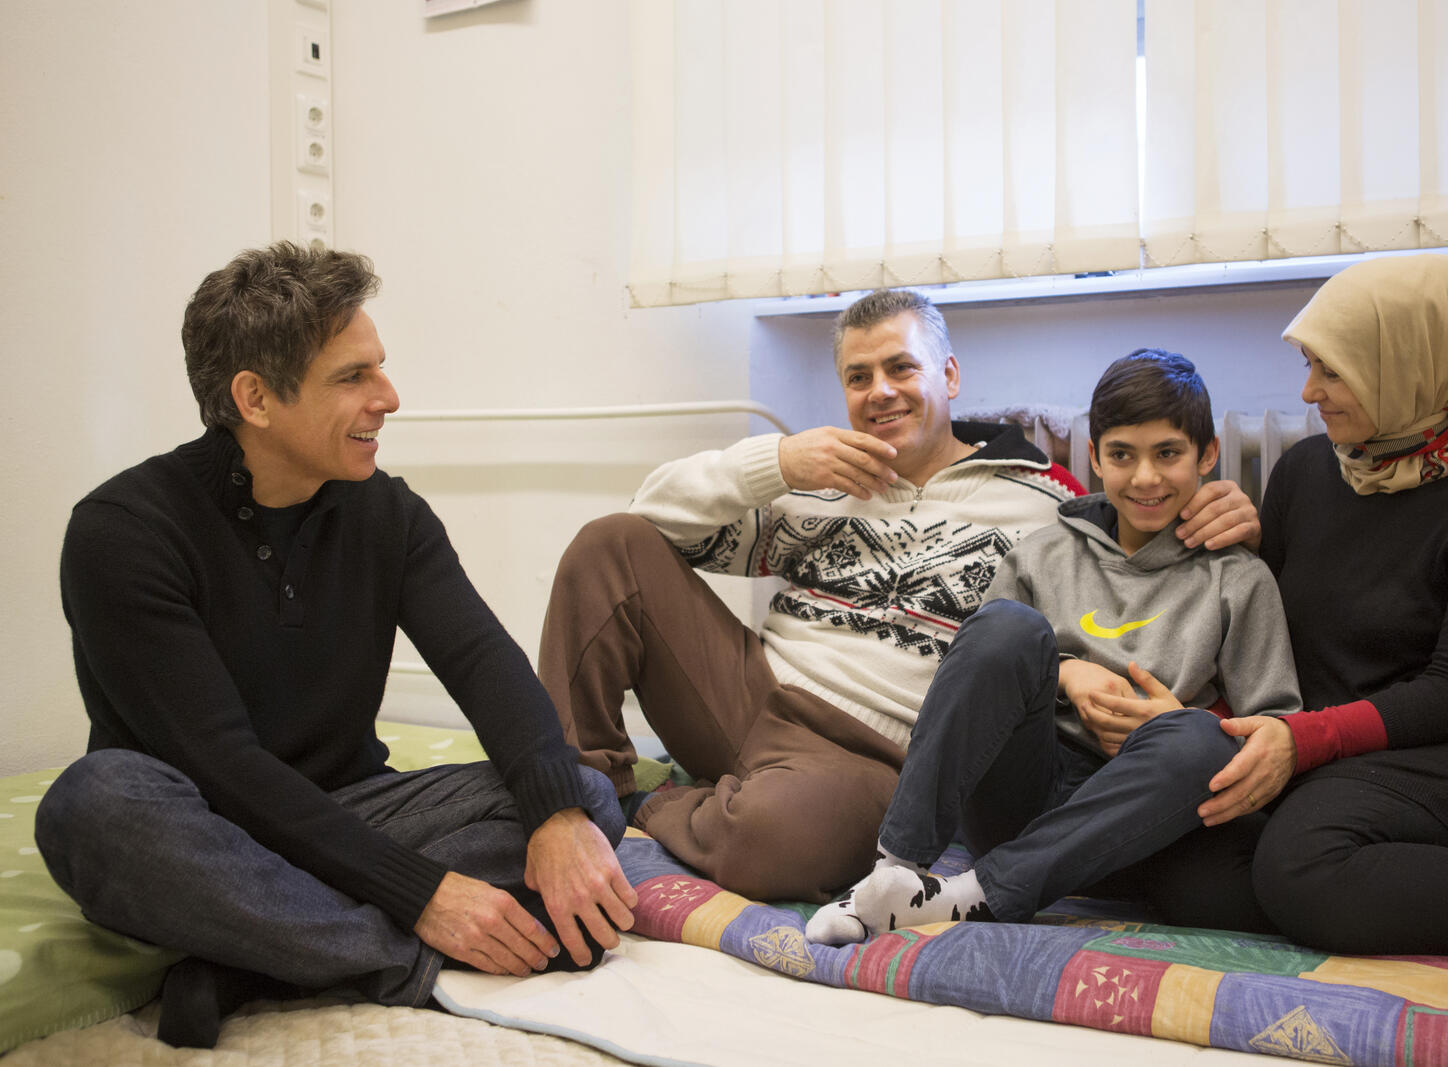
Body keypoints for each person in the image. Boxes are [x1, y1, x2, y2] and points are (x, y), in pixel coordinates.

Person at [35, 243, 638, 1049]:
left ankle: (252, 959)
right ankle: (385, 960)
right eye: (353, 377)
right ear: (254, 397)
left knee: (580, 798)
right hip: (204, 823)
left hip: (350, 812)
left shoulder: (388, 515)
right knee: (92, 806)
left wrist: (556, 813)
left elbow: (485, 666)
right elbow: (223, 765)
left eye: (378, 369)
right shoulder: (125, 532)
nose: (388, 397)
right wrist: (425, 897)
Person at [538, 288, 1265, 903]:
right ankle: (584, 797)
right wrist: (778, 460)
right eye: (859, 377)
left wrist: (1224, 506)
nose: (879, 391)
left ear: (948, 374)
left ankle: (658, 801)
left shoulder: (1043, 501)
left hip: (874, 752)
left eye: (900, 367)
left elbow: (1139, 525)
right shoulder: (813, 480)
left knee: (770, 839)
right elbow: (649, 513)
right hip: (747, 693)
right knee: (610, 544)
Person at [1188, 254, 1448, 974]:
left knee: (1301, 864)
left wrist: (1306, 740)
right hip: (1336, 764)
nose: (1309, 391)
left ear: (1411, 363)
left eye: (1333, 370)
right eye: (1310, 365)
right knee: (1185, 860)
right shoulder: (1306, 471)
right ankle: (1359, 883)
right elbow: (1271, 636)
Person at [806, 349, 1301, 942]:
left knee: (1199, 741)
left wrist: (1177, 723)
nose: (1145, 478)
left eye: (1168, 453)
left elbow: (1273, 730)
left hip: (1140, 800)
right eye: (1122, 455)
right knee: (1004, 625)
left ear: (1208, 454)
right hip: (1027, 787)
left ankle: (978, 895)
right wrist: (1066, 673)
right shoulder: (1042, 552)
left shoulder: (1240, 579)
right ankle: (895, 874)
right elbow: (979, 673)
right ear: (1094, 457)